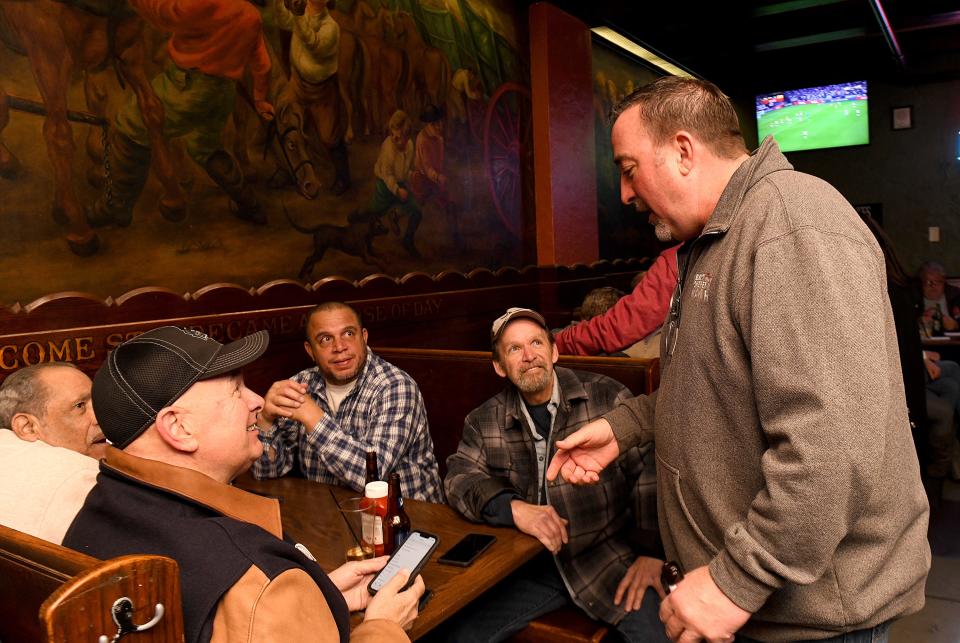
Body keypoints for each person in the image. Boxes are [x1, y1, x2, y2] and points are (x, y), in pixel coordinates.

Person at [546, 77, 930, 643]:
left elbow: (832, 446)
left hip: (812, 621)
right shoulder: (715, 238)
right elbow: (717, 388)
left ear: (682, 150)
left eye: (629, 169)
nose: (625, 193)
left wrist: (736, 581)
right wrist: (623, 427)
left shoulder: (791, 225)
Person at [63, 326, 423, 643]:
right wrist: (381, 627)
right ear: (178, 428)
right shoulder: (258, 578)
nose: (256, 400)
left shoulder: (97, 511)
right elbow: (251, 606)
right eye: (237, 389)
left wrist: (315, 600)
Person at [443, 307, 668, 643]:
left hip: (607, 559)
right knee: (459, 635)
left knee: (660, 635)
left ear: (554, 351)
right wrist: (512, 508)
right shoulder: (484, 419)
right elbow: (458, 477)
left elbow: (652, 468)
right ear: (499, 366)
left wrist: (653, 553)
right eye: (514, 349)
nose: (529, 355)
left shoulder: (607, 397)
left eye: (536, 343)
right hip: (531, 567)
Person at [89, 0, 274, 228]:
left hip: (187, 86)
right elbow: (263, 65)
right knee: (205, 148)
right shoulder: (251, 14)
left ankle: (116, 207)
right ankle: (250, 205)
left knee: (129, 125)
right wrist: (260, 99)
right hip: (224, 92)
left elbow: (167, 16)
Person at [253, 302, 443, 502]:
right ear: (310, 350)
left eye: (349, 334)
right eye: (326, 339)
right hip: (329, 517)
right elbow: (267, 471)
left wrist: (313, 418)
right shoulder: (300, 384)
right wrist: (265, 419)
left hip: (409, 520)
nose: (340, 347)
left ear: (364, 337)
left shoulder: (395, 386)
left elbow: (369, 477)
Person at [0, 363, 104, 543]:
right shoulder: (81, 482)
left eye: (99, 401)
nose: (100, 417)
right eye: (80, 406)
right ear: (28, 427)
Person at [275, 0, 352, 195]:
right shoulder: (302, 12)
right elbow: (284, 20)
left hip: (321, 90)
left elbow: (313, 45)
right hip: (297, 82)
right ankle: (287, 168)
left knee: (329, 137)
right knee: (282, 113)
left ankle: (344, 178)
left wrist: (298, 16)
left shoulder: (330, 27)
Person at [554, 245, 680, 357]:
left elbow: (621, 326)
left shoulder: (678, 260)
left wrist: (553, 343)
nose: (649, 219)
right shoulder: (679, 259)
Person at [370, 110, 423, 258]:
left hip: (399, 183)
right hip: (384, 185)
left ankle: (408, 240)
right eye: (392, 134)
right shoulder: (388, 147)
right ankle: (356, 217)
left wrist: (412, 176)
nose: (394, 139)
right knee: (373, 212)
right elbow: (387, 175)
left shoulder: (410, 146)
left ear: (407, 137)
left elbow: (404, 171)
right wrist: (397, 190)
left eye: (398, 137)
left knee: (417, 212)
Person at [918, 261, 960, 330]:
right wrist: (918, 322)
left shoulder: (956, 295)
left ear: (944, 282)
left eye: (938, 282)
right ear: (921, 283)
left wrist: (956, 325)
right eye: (928, 282)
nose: (933, 286)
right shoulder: (912, 298)